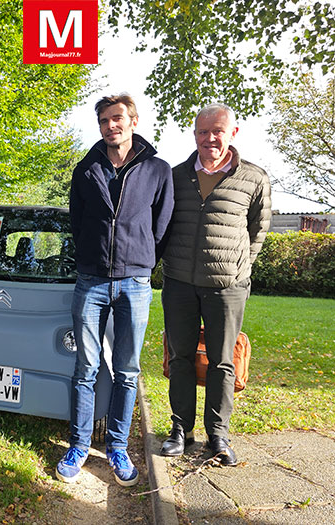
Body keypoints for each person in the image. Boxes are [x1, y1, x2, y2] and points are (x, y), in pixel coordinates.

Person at [56, 94, 174, 486]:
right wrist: (92, 255)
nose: (111, 126)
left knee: (126, 370)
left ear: (134, 121)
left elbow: (163, 223)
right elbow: (78, 220)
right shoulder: (85, 168)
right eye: (105, 120)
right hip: (90, 281)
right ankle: (78, 445)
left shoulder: (157, 169)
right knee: (85, 368)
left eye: (118, 118)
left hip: (135, 284)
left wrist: (143, 259)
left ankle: (117, 448)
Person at [160, 103, 271, 465]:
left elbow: (259, 229)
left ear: (232, 133)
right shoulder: (175, 176)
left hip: (227, 287)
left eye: (218, 130)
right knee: (180, 358)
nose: (210, 138)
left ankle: (218, 435)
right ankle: (180, 430)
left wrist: (240, 267)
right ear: (194, 135)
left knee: (222, 362)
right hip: (178, 282)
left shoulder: (254, 178)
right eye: (203, 131)